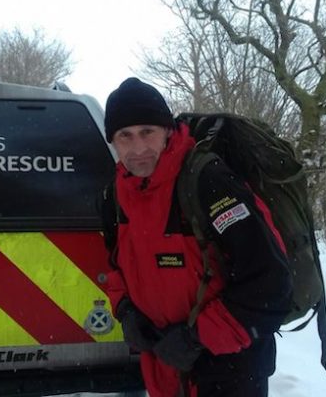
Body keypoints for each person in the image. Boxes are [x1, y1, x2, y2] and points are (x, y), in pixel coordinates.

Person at [102, 77, 293, 397]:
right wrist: (125, 309)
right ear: (113, 141)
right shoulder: (114, 197)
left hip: (229, 370)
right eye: (125, 136)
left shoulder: (207, 183)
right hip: (164, 366)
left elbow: (270, 283)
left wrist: (197, 338)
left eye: (147, 132)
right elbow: (114, 264)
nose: (138, 148)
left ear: (168, 131)